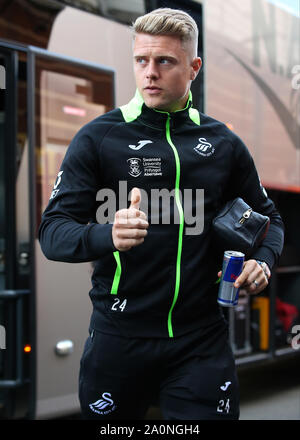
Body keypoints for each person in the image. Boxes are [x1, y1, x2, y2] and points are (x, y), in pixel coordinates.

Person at [39, 8, 284, 420]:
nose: (149, 72)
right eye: (141, 60)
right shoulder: (99, 138)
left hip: (200, 340)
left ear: (194, 68)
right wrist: (107, 235)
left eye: (165, 61)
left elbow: (269, 219)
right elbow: (52, 232)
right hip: (119, 340)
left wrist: (264, 260)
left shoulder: (223, 144)